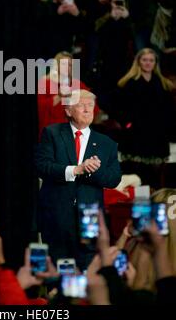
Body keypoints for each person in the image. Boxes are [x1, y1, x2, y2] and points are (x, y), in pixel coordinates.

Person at [35, 89, 121, 270]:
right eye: (82, 105)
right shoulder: (52, 133)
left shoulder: (107, 143)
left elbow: (114, 179)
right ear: (68, 110)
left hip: (89, 218)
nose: (87, 110)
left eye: (90, 105)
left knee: (86, 268)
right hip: (56, 214)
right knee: (58, 268)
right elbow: (42, 167)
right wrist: (76, 170)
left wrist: (91, 171)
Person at [116, 48, 175, 188]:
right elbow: (118, 107)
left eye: (151, 60)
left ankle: (156, 201)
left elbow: (170, 111)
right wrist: (127, 123)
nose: (148, 63)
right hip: (135, 135)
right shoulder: (128, 83)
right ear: (138, 62)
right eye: (144, 60)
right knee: (135, 175)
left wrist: (168, 130)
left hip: (158, 135)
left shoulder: (163, 84)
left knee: (155, 175)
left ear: (155, 63)